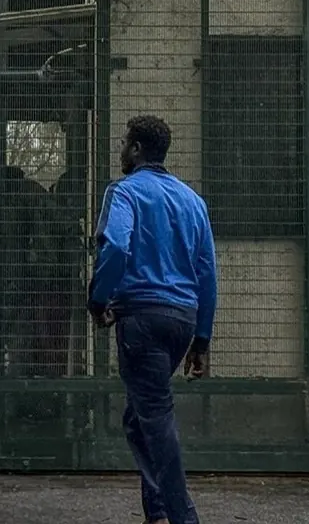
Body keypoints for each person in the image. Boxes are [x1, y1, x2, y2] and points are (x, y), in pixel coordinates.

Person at [89, 115, 217, 524]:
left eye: (124, 143)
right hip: (181, 318)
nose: (121, 150)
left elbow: (114, 248)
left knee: (155, 417)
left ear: (137, 149)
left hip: (141, 318)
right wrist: (201, 339)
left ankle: (183, 516)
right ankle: (157, 510)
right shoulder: (192, 201)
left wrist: (98, 299)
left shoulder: (123, 192)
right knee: (139, 417)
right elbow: (207, 272)